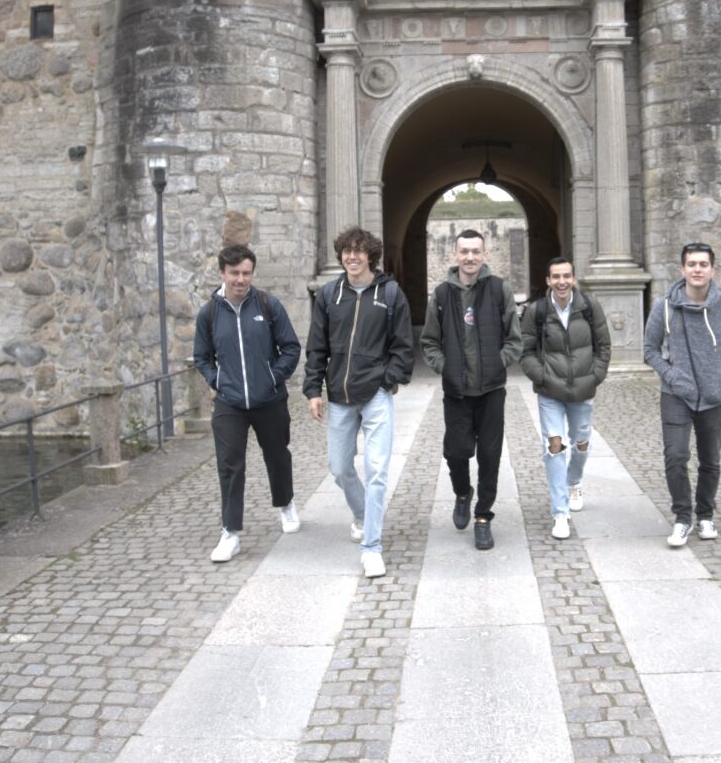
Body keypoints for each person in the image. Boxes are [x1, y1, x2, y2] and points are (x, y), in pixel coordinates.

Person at [303, 227, 414, 579]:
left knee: (377, 471)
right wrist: (313, 389)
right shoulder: (329, 295)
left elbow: (403, 345)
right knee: (339, 468)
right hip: (339, 395)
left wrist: (388, 379)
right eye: (346, 251)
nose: (352, 257)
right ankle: (363, 514)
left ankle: (372, 547)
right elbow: (316, 346)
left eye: (359, 251)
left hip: (375, 394)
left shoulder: (390, 294)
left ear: (370, 255)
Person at [193, 244, 302, 563]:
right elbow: (201, 357)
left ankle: (285, 503)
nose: (240, 279)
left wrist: (273, 376)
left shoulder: (268, 305)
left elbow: (291, 348)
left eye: (246, 273)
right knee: (230, 464)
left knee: (277, 455)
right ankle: (230, 532)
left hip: (269, 399)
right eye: (234, 273)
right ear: (222, 273)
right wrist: (218, 380)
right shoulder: (209, 313)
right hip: (230, 402)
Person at [642, 242, 721, 548]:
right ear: (683, 269)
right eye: (692, 264)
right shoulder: (664, 307)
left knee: (710, 460)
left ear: (712, 270)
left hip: (714, 396)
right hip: (676, 395)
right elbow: (650, 350)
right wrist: (672, 376)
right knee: (675, 456)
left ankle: (705, 515)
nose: (697, 269)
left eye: (703, 264)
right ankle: (682, 518)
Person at [420, 229, 522, 550]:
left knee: (490, 456)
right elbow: (429, 341)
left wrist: (498, 363)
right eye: (464, 251)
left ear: (484, 254)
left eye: (476, 251)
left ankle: (483, 517)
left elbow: (515, 339)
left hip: (491, 390)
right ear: (455, 254)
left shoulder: (499, 289)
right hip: (457, 391)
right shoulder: (441, 295)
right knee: (456, 451)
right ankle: (463, 493)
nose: (470, 257)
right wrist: (445, 366)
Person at [519, 257, 611, 540]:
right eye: (556, 277)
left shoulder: (589, 306)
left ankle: (574, 481)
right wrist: (542, 377)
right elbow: (525, 351)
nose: (562, 282)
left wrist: (595, 375)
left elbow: (603, 345)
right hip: (550, 391)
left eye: (566, 276)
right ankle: (560, 512)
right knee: (554, 446)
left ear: (574, 279)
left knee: (581, 443)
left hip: (583, 389)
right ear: (548, 281)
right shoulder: (536, 311)